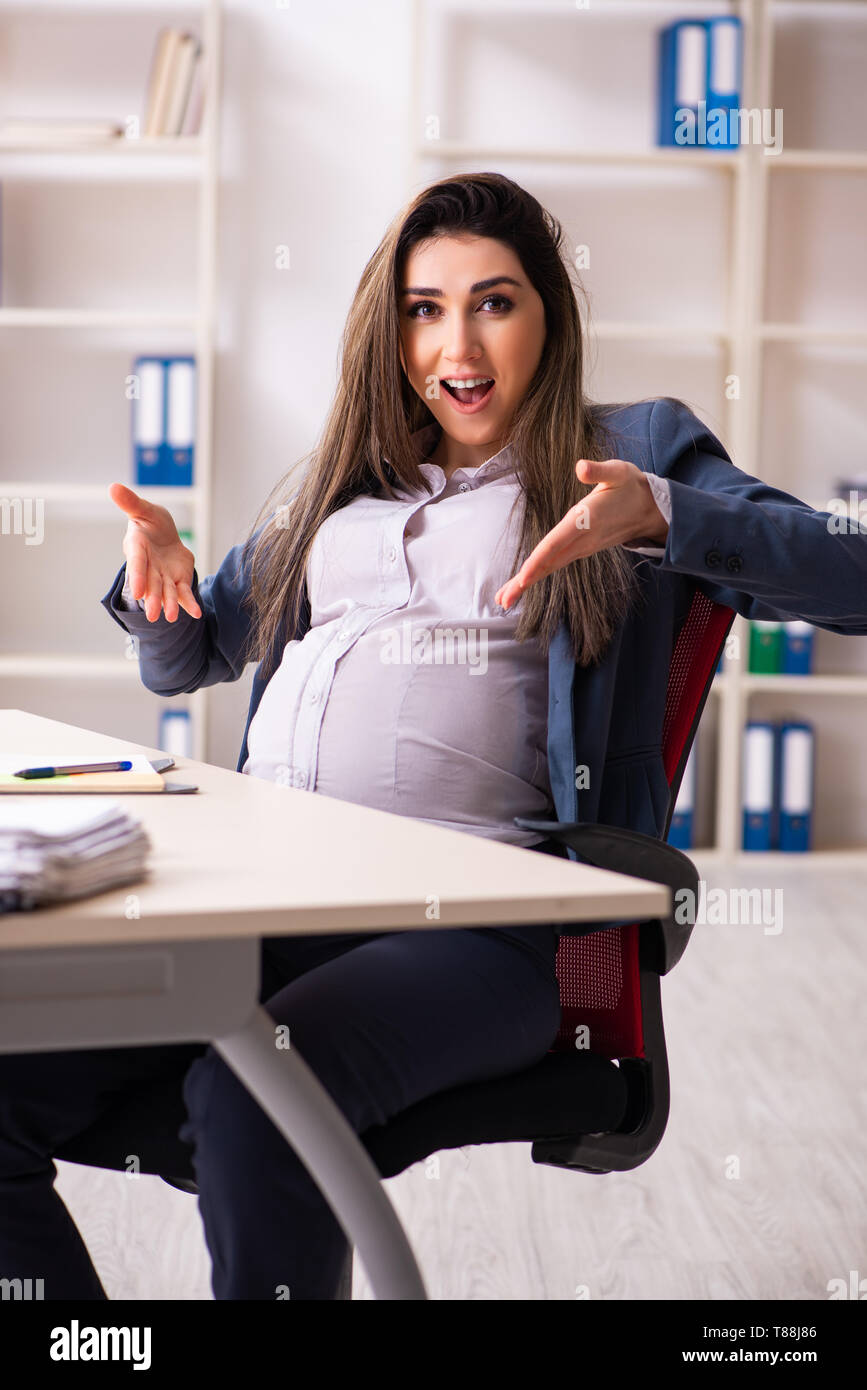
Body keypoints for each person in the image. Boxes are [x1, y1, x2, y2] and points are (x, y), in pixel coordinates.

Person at [2, 172, 865, 1302]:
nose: (456, 341)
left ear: (549, 315)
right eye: (424, 307)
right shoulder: (339, 485)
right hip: (256, 903)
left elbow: (851, 573)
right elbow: (195, 656)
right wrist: (158, 595)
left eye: (494, 302)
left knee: (261, 1087)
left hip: (475, 928)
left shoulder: (627, 451)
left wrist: (662, 512)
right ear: (390, 326)